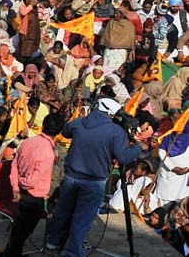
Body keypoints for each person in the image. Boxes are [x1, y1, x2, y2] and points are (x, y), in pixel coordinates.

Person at [45, 99, 145, 257]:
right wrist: (138, 147)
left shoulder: (79, 122)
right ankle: (72, 252)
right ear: (111, 113)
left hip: (71, 176)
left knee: (63, 210)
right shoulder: (115, 131)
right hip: (94, 181)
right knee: (82, 218)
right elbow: (124, 157)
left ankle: (53, 241)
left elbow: (65, 132)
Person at [4, 113, 64, 257]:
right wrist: (20, 184)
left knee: (18, 230)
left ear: (43, 125)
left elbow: (14, 166)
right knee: (23, 233)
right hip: (33, 197)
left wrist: (16, 186)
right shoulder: (48, 153)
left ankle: (11, 253)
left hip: (22, 193)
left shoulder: (27, 142)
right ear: (58, 132)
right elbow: (32, 181)